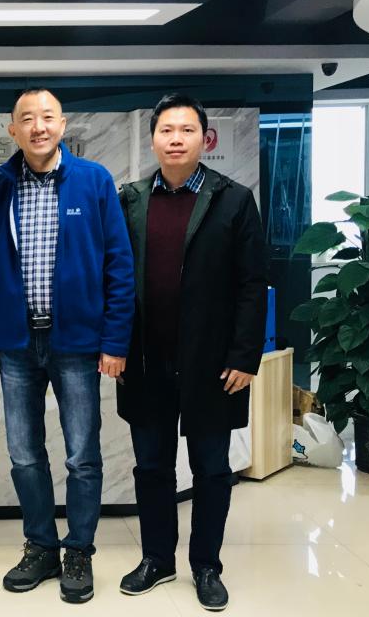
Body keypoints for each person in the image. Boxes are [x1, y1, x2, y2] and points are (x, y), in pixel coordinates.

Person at [0, 88, 135, 604]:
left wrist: (114, 340)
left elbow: (119, 265)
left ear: (62, 125)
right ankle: (40, 546)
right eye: (27, 119)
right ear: (12, 131)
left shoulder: (94, 181)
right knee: (24, 454)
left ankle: (78, 549)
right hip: (16, 345)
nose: (38, 127)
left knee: (83, 455)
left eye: (47, 117)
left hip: (78, 345)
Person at [116, 93, 267, 612]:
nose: (175, 139)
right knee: (151, 467)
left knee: (211, 469)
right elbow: (116, 279)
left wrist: (245, 356)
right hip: (145, 360)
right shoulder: (131, 199)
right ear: (153, 140)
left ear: (206, 138)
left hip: (213, 363)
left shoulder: (234, 200)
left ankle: (206, 565)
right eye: (166, 130)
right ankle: (158, 559)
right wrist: (114, 347)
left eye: (186, 130)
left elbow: (252, 284)